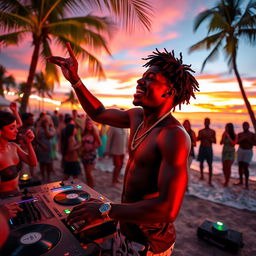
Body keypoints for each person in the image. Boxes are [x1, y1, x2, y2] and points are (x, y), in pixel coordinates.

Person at [47, 44, 199, 255]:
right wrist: (75, 80)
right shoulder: (137, 116)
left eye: (151, 78)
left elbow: (168, 209)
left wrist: (105, 209)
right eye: (143, 75)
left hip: (149, 243)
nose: (140, 81)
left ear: (169, 91)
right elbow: (99, 113)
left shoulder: (173, 135)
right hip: (124, 226)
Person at [0, 110, 37, 197]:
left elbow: (33, 163)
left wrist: (28, 143)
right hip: (4, 202)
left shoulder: (14, 146)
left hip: (17, 194)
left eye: (15, 127)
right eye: (12, 128)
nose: (17, 131)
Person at [81, 118, 101, 188]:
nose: (89, 125)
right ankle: (88, 186)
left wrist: (91, 148)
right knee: (86, 172)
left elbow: (99, 143)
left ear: (92, 124)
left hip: (92, 155)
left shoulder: (94, 133)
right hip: (84, 155)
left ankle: (92, 187)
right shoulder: (83, 133)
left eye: (90, 124)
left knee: (89, 172)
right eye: (87, 124)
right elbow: (82, 143)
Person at [235, 121, 256, 189]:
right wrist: (242, 139)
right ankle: (241, 181)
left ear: (248, 126)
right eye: (244, 126)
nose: (245, 127)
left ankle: (246, 183)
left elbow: (255, 143)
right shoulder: (240, 134)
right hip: (241, 150)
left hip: (248, 151)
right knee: (240, 166)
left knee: (246, 166)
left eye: (246, 126)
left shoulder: (252, 134)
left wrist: (248, 140)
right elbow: (236, 142)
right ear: (242, 126)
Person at [35, 114, 56, 182]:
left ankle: (48, 178)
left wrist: (47, 127)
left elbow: (49, 135)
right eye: (45, 121)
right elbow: (36, 137)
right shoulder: (40, 128)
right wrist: (41, 144)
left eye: (47, 121)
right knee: (42, 163)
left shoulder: (52, 128)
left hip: (48, 149)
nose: (46, 123)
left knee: (48, 164)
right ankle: (43, 177)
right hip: (41, 149)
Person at [197, 118, 216, 186]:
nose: (206, 123)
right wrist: (201, 137)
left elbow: (215, 141)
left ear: (209, 123)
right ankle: (202, 175)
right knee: (201, 163)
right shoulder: (201, 131)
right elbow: (197, 139)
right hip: (202, 148)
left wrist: (209, 138)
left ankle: (210, 180)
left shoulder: (212, 131)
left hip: (209, 148)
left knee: (210, 164)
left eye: (207, 122)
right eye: (205, 122)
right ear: (204, 123)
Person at [182, 119, 196, 191]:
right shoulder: (181, 131)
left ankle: (186, 186)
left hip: (190, 154)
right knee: (182, 170)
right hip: (182, 154)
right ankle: (182, 185)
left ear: (189, 125)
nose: (185, 125)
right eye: (184, 123)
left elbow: (195, 143)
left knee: (187, 170)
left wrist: (187, 141)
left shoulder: (192, 132)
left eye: (187, 124)